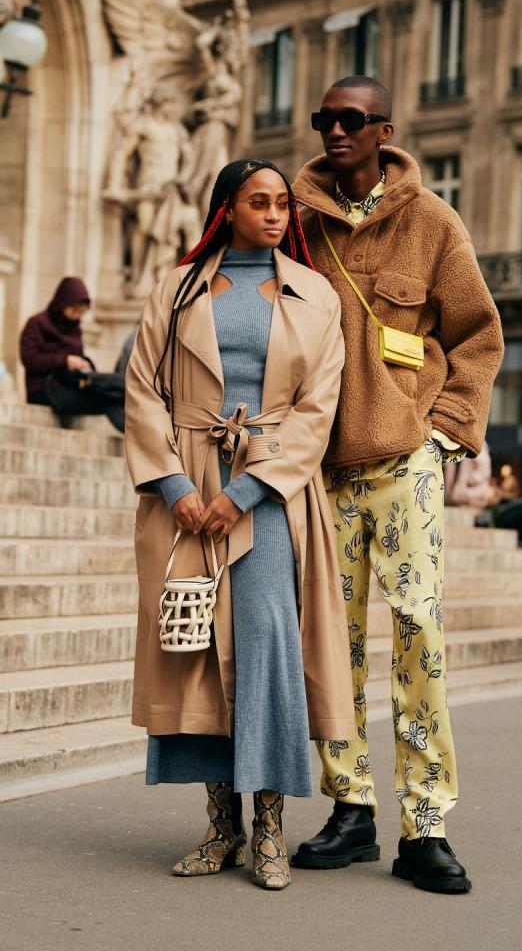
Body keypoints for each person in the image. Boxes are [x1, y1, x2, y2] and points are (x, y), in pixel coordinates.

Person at [291, 76, 504, 894]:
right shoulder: (302, 226)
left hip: (403, 464)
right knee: (331, 646)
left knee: (419, 632)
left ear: (383, 129)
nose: (334, 130)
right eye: (325, 119)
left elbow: (478, 335)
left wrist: (444, 433)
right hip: (323, 471)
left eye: (350, 120)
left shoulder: (432, 221)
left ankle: (425, 824)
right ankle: (351, 809)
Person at [124, 159, 355, 891]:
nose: (277, 213)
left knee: (266, 651)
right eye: (260, 202)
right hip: (186, 489)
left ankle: (270, 830)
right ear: (226, 207)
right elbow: (142, 388)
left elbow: (319, 408)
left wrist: (248, 489)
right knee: (194, 655)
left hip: (274, 494)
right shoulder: (176, 287)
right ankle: (220, 828)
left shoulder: (315, 293)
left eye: (284, 203)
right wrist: (174, 484)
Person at [20, 277, 125, 432]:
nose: (77, 316)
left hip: (71, 384)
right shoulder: (37, 323)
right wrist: (65, 360)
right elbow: (29, 359)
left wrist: (83, 363)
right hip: (45, 389)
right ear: (62, 304)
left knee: (116, 392)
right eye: (74, 310)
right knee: (107, 400)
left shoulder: (75, 328)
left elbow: (77, 357)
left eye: (81, 312)